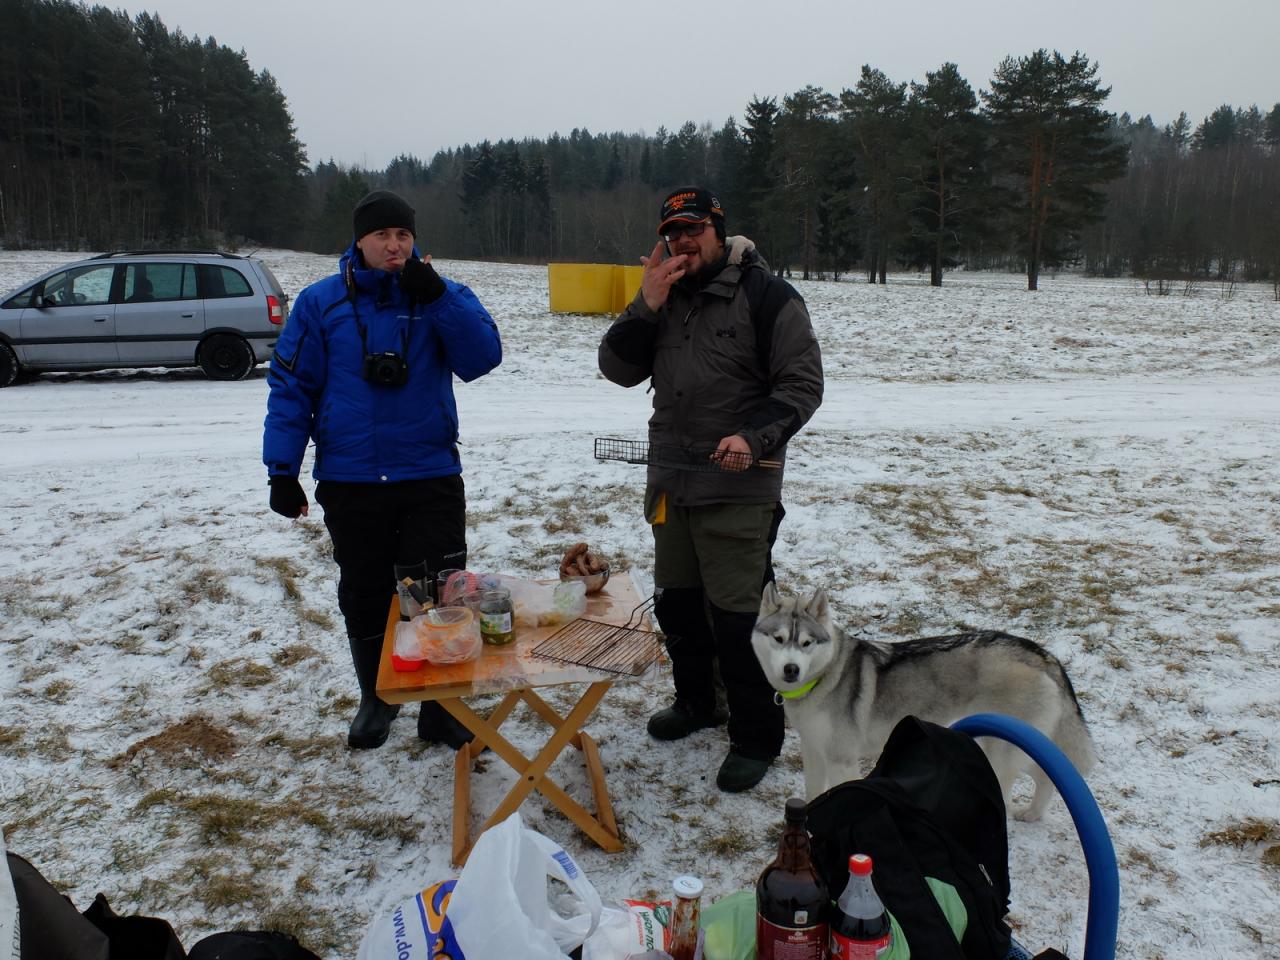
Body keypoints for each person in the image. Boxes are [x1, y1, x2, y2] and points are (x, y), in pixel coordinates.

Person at [598, 186, 824, 791]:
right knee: (677, 606)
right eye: (672, 232)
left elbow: (803, 385)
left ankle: (757, 736)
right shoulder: (664, 295)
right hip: (670, 484)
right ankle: (698, 704)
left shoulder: (767, 295)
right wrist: (644, 305)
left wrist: (753, 436)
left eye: (693, 229)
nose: (682, 241)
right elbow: (616, 369)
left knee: (738, 618)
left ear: (718, 231)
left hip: (738, 486)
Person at [263, 189, 501, 750]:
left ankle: (440, 707)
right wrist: (282, 469)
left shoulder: (440, 294)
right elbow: (292, 387)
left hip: (429, 474)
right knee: (366, 592)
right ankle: (377, 697)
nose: (395, 246)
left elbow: (482, 358)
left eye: (403, 235)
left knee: (438, 592)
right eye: (382, 235)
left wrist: (438, 296)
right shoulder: (321, 303)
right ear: (360, 240)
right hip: (352, 479)